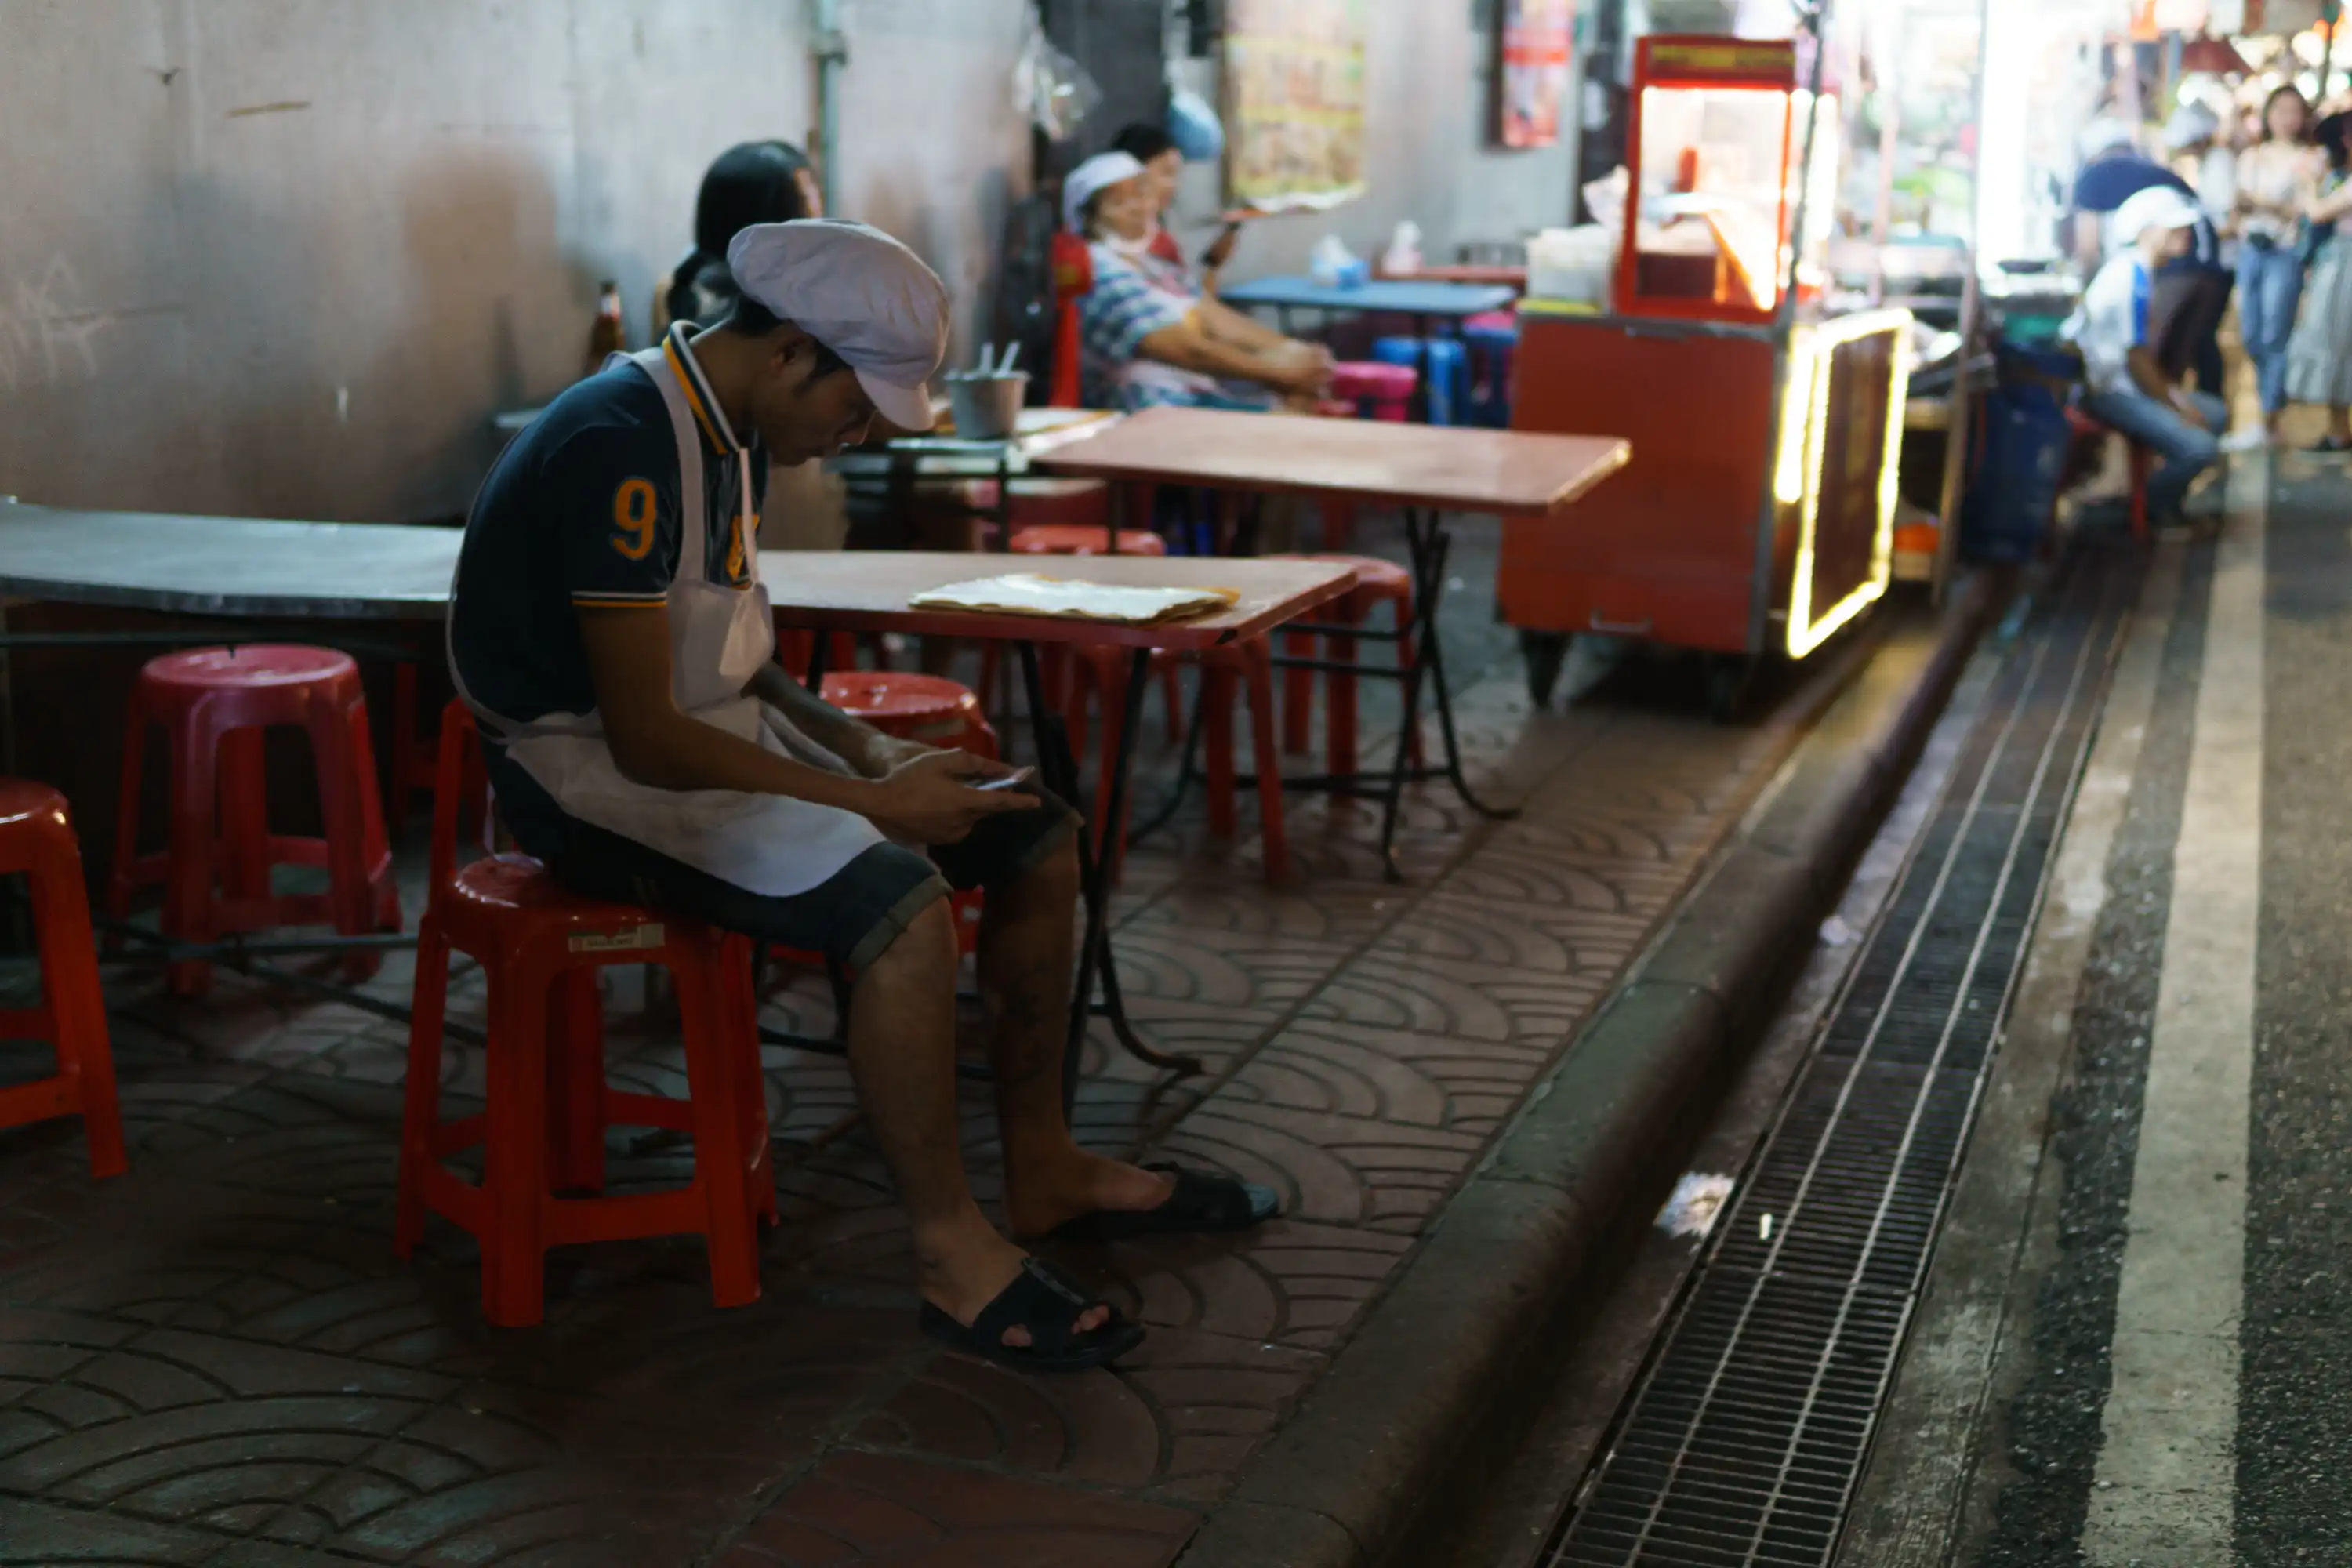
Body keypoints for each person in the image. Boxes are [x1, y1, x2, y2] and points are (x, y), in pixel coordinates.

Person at [448, 218, 1276, 1372]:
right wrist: (875, 811)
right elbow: (645, 735)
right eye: (854, 406)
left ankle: (1043, 1168)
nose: (857, 436)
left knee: (1032, 832)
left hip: (691, 751)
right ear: (791, 349)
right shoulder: (620, 442)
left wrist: (868, 752)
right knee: (901, 907)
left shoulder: (726, 425)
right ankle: (952, 1253)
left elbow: (730, 661)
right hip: (581, 780)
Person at [651, 141, 850, 551]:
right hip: (779, 496)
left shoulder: (676, 287)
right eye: (808, 206)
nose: (818, 220)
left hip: (711, 496)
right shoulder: (795, 298)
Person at [1064, 151, 1330, 412]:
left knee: (1300, 399)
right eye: (1118, 203)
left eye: (1142, 194)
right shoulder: (1097, 268)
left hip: (1194, 395)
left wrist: (1293, 350)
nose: (1139, 208)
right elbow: (1182, 348)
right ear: (1088, 219)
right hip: (1151, 408)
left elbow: (1212, 316)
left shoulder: (1154, 264)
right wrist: (1279, 373)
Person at [2066, 186, 2231, 525]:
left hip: (2127, 386)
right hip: (2109, 392)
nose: (2185, 234)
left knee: (2215, 414)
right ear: (2147, 232)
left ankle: (2165, 504)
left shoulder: (2139, 269)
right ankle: (2146, 509)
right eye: (2174, 228)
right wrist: (2179, 407)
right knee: (2199, 448)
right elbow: (2137, 360)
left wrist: (2177, 402)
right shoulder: (2131, 276)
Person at [2234, 85, 2320, 446]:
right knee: (2251, 335)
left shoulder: (2310, 158)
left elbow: (2306, 210)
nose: (2286, 118)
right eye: (2280, 109)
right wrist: (2269, 205)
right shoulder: (2252, 156)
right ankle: (2268, 410)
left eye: (2293, 111)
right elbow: (2239, 201)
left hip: (2284, 252)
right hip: (2251, 249)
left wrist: (2264, 203)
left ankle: (2269, 419)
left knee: (2275, 334)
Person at [2285, 111, 2352, 453]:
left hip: (2345, 267)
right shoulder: (2339, 176)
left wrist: (2310, 183)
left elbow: (2318, 212)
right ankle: (2340, 430)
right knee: (2337, 344)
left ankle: (2340, 432)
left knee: (2339, 342)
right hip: (2337, 262)